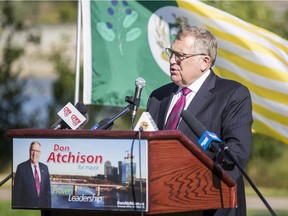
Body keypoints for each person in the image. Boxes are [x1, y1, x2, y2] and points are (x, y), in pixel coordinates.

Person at [147, 25, 253, 216]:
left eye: (180, 56)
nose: (172, 61)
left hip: (209, 207)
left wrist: (187, 188)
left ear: (204, 61)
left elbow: (235, 155)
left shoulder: (233, 95)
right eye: (171, 53)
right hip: (160, 205)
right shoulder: (158, 97)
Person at [13, 140, 51, 208]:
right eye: (33, 150)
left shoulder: (45, 168)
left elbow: (48, 193)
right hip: (27, 209)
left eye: (37, 151)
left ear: (40, 153)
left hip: (43, 208)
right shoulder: (21, 168)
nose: (35, 153)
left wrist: (49, 209)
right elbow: (16, 194)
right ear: (29, 151)